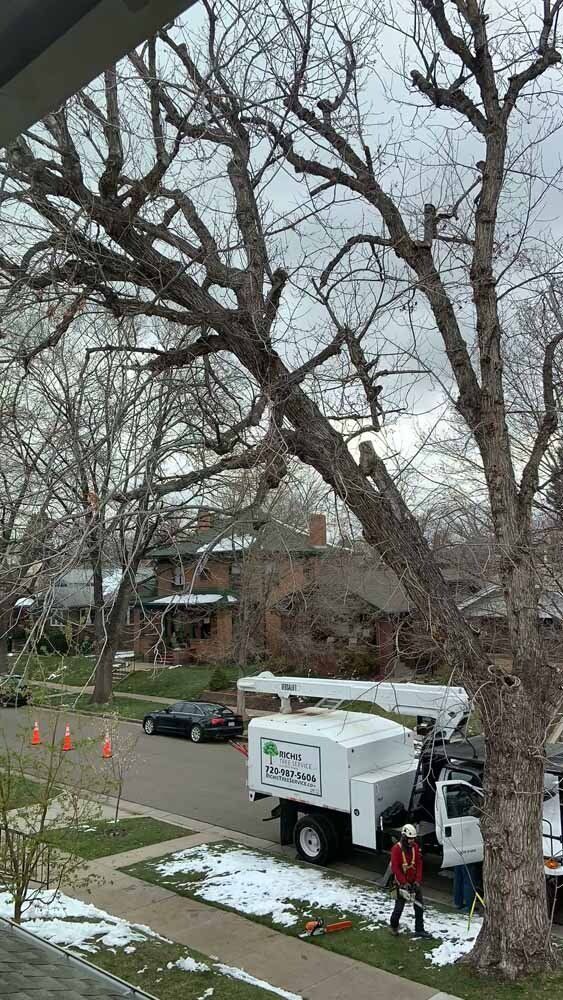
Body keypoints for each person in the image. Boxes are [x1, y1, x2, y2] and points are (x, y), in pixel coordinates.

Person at [389, 823, 431, 938]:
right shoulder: (396, 849)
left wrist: (417, 880)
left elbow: (419, 864)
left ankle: (419, 929)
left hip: (414, 882)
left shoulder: (415, 848)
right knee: (399, 908)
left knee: (419, 907)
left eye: (413, 839)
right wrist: (403, 883)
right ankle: (393, 926)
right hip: (401, 884)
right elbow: (395, 868)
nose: (411, 841)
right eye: (409, 839)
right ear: (404, 837)